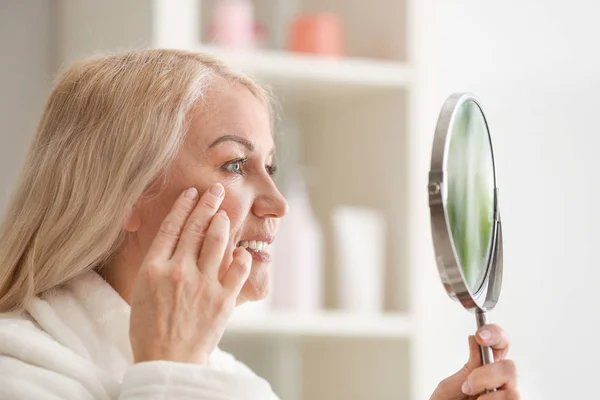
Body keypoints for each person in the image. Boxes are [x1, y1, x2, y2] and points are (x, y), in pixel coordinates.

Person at [0, 49, 519, 399]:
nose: (277, 203)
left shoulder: (238, 386)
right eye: (234, 165)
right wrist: (171, 370)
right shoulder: (19, 373)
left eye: (269, 167)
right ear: (124, 194)